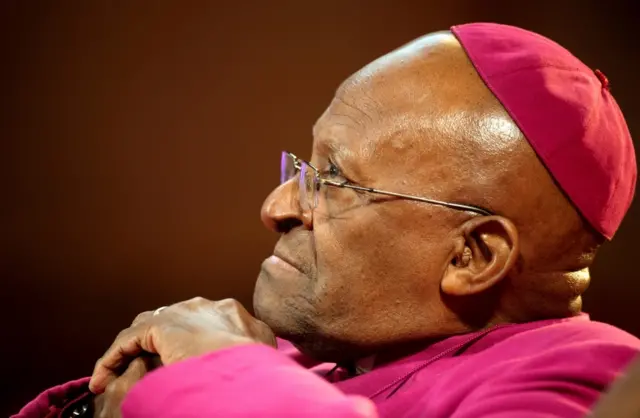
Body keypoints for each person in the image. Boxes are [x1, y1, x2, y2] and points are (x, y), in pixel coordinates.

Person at [14, 22, 638, 418]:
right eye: (302, 168)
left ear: (471, 256)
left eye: (332, 181)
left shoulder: (593, 378)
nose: (277, 206)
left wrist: (217, 364)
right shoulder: (307, 361)